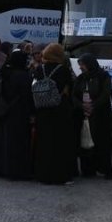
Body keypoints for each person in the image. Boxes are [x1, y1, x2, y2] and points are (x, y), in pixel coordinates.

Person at [32, 43, 76, 185]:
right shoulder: (63, 70)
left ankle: (42, 174)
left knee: (43, 143)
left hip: (42, 110)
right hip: (59, 111)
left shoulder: (39, 69)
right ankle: (59, 175)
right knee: (59, 144)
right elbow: (69, 89)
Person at [72, 54, 112, 180]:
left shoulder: (103, 76)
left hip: (100, 115)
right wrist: (82, 106)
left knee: (102, 142)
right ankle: (88, 169)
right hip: (84, 115)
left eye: (82, 65)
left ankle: (105, 169)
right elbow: (74, 95)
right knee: (85, 142)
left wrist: (93, 106)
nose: (80, 68)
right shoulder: (80, 78)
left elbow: (105, 94)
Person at [0, 49, 34, 180]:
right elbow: (27, 96)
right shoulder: (23, 75)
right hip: (19, 112)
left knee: (5, 141)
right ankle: (17, 170)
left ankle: (3, 168)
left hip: (4, 110)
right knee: (18, 142)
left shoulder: (5, 72)